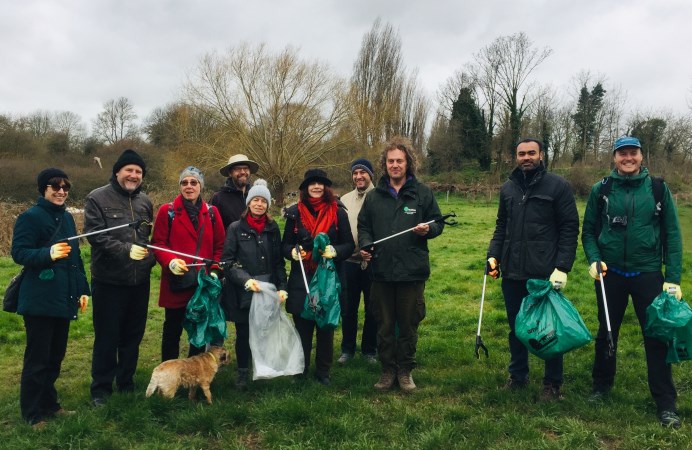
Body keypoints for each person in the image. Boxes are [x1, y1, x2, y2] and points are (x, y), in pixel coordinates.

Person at [582, 136, 684, 428]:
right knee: (606, 331)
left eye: (633, 153)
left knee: (656, 336)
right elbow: (588, 232)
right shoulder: (601, 189)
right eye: (622, 153)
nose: (628, 158)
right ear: (614, 158)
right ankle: (601, 387)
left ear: (641, 156)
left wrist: (673, 278)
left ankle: (666, 403)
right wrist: (594, 259)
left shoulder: (658, 188)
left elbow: (673, 236)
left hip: (648, 274)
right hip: (609, 274)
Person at [486, 138, 579, 401]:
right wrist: (494, 256)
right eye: (521, 154)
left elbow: (569, 227)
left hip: (544, 272)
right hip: (513, 270)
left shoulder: (558, 186)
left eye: (531, 153)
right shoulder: (508, 188)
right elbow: (501, 225)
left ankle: (552, 383)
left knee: (550, 329)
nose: (526, 157)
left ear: (541, 155)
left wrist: (562, 267)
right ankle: (518, 376)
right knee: (517, 327)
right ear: (515, 157)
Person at [358, 137, 444, 392]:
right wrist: (366, 244)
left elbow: (438, 223)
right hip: (381, 272)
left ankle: (405, 371)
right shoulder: (374, 197)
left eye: (400, 161)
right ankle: (387, 371)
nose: (395, 165)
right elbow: (364, 226)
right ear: (384, 164)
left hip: (412, 271)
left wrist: (428, 229)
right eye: (390, 161)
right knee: (384, 326)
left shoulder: (422, 193)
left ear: (408, 163)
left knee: (408, 324)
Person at [11, 168, 90, 427]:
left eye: (65, 187)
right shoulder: (30, 217)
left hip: (63, 296)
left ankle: (50, 404)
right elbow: (20, 253)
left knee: (55, 357)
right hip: (39, 298)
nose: (61, 191)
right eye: (54, 186)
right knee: (38, 360)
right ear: (43, 189)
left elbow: (76, 259)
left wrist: (82, 290)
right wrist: (48, 254)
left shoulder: (67, 218)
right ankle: (32, 414)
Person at [85, 149, 155, 407]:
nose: (133, 175)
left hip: (139, 282)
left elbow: (149, 237)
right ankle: (101, 388)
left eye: (138, 172)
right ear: (117, 172)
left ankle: (126, 382)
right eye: (129, 170)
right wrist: (126, 250)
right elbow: (94, 235)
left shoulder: (145, 202)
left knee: (133, 335)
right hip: (109, 281)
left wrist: (149, 259)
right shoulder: (97, 198)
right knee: (107, 336)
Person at [281, 169, 354, 385]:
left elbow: (349, 244)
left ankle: (323, 372)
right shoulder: (294, 213)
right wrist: (292, 253)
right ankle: (300, 371)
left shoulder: (338, 212)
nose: (316, 187)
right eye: (312, 183)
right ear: (305, 188)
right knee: (302, 328)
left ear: (326, 187)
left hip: (327, 280)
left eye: (320, 183)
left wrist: (335, 252)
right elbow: (284, 245)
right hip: (302, 277)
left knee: (325, 328)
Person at [150, 166, 226, 361]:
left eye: (194, 182)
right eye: (184, 182)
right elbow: (158, 244)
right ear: (180, 186)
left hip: (202, 284)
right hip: (177, 280)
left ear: (201, 186)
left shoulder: (211, 212)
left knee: (199, 331)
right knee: (172, 330)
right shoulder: (167, 212)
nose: (189, 186)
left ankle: (194, 376)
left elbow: (220, 245)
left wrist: (215, 269)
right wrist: (170, 262)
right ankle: (170, 372)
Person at [220, 179, 288, 388]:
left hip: (267, 288)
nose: (259, 204)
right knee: (244, 333)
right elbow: (227, 262)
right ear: (248, 203)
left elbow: (278, 260)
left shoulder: (272, 227)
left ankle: (263, 366)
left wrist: (282, 287)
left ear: (268, 205)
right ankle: (242, 371)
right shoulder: (235, 228)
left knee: (263, 331)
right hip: (245, 290)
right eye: (255, 200)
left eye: (263, 201)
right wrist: (245, 280)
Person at [337, 158, 378, 365]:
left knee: (373, 308)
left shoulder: (381, 197)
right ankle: (347, 349)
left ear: (371, 174)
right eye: (355, 173)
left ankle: (370, 350)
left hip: (372, 263)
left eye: (363, 172)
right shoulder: (344, 199)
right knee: (348, 308)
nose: (359, 176)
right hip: (349, 263)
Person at [211, 154, 260, 229]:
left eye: (246, 168)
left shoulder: (256, 196)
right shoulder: (219, 198)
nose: (243, 172)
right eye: (237, 169)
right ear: (230, 173)